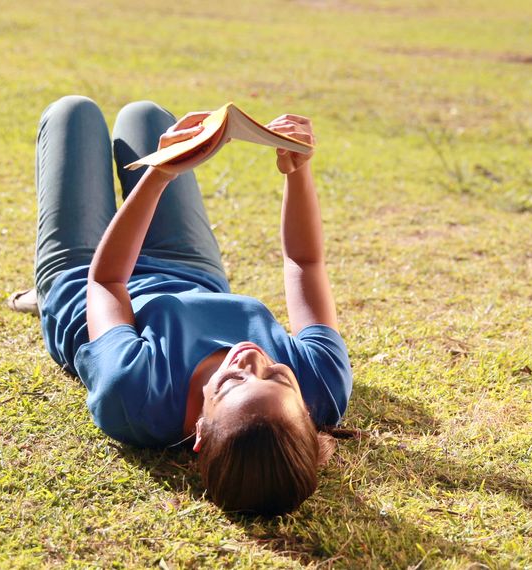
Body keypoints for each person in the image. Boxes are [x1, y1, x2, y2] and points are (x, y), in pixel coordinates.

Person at [31, 96, 353, 516]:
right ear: (308, 413)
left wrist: (158, 175)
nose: (252, 359)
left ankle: (36, 298)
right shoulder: (321, 382)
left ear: (200, 432)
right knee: (147, 116)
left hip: (84, 274)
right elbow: (305, 263)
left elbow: (107, 282)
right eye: (278, 376)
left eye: (233, 383)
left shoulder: (133, 395)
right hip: (191, 271)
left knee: (72, 113)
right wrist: (298, 172)